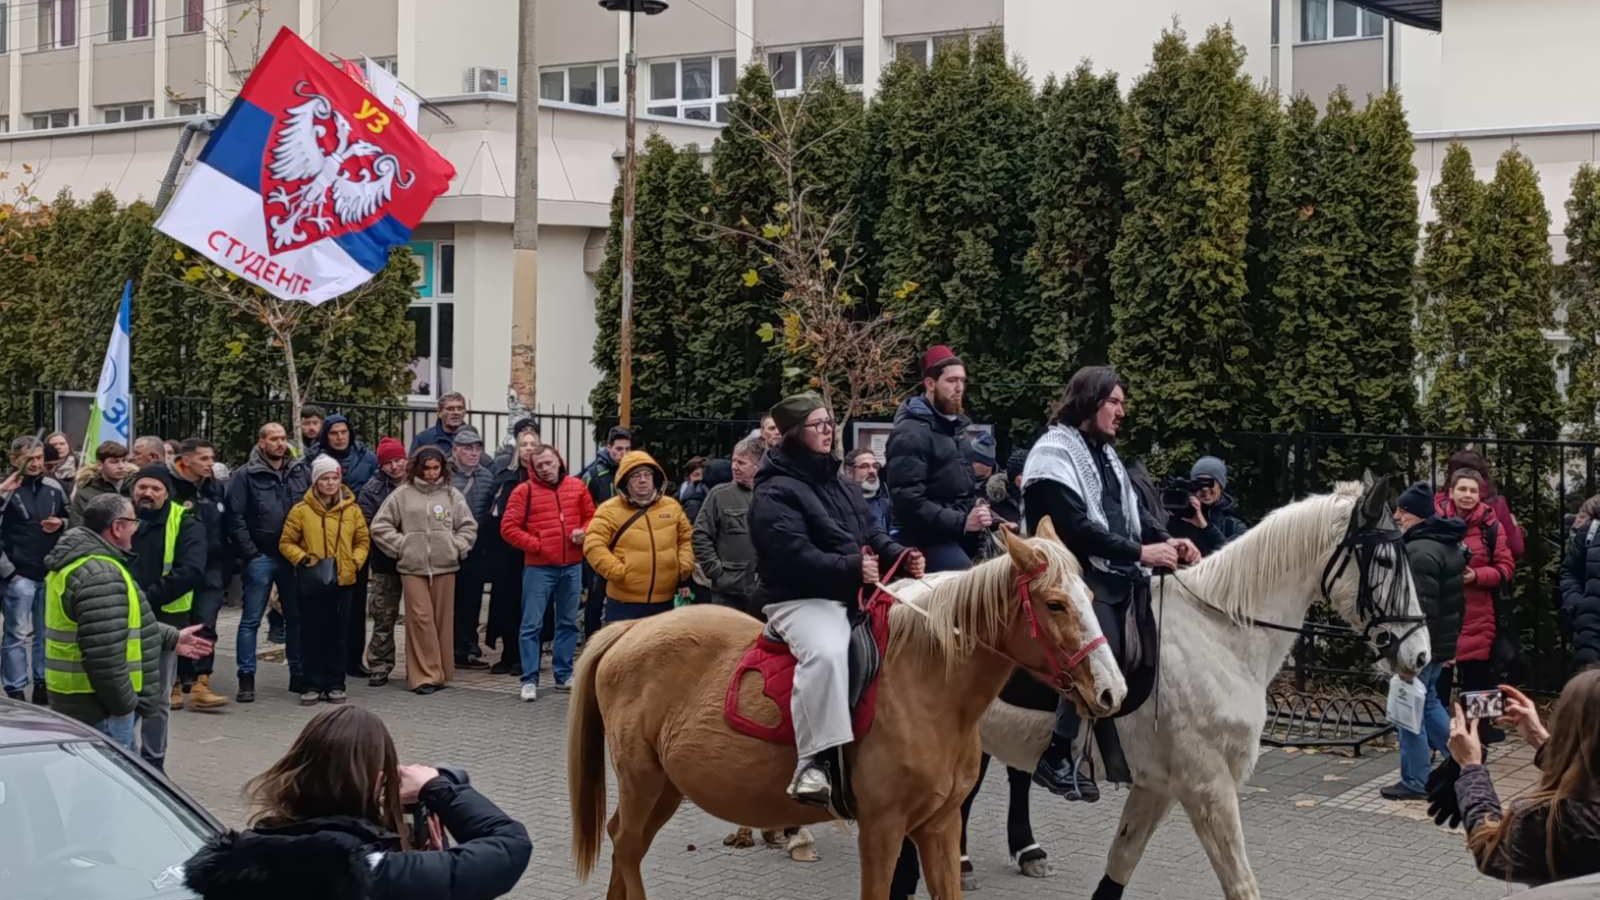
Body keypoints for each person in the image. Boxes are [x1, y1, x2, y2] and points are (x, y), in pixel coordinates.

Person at [1023, 366, 1198, 801]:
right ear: (1090, 401)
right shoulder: (1052, 453)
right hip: (1069, 575)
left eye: (1123, 403)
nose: (1122, 411)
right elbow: (1075, 528)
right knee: (1098, 648)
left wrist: (1168, 541)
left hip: (1115, 570)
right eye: (1114, 402)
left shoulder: (1107, 456)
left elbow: (1132, 515)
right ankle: (1057, 752)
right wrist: (1141, 553)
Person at [749, 393, 921, 806]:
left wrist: (899, 555)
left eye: (829, 423)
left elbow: (869, 532)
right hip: (799, 599)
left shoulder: (840, 483)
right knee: (826, 652)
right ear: (794, 434)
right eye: (818, 425)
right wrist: (851, 567)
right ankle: (814, 762)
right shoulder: (773, 492)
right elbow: (792, 555)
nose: (828, 431)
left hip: (847, 591)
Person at [182, 705, 532, 900]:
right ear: (378, 782)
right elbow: (509, 845)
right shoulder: (373, 874)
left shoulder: (236, 865)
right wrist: (437, 789)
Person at [41, 492, 213, 749]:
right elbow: (104, 653)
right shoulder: (101, 574)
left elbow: (115, 625)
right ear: (117, 527)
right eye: (133, 522)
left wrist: (171, 637)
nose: (137, 528)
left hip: (82, 700)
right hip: (100, 708)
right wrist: (124, 705)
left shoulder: (85, 564)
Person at [1447, 672, 1600, 886]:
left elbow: (1492, 853)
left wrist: (1471, 767)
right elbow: (1590, 772)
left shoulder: (1557, 819)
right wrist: (1539, 739)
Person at [1381, 482, 1468, 801]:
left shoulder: (1418, 551)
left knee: (1409, 707)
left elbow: (1420, 608)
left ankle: (1415, 780)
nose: (1397, 516)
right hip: (1438, 642)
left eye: (1402, 511)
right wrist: (1449, 647)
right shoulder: (1445, 544)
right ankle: (1465, 759)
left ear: (1416, 514)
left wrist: (1407, 649)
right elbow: (1455, 604)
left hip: (1419, 646)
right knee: (1428, 701)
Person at [370, 445, 477, 695]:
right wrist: (403, 546)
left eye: (435, 468)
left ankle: (441, 672)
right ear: (417, 468)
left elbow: (468, 526)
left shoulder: (451, 495)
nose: (431, 473)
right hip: (413, 568)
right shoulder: (402, 494)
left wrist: (456, 547)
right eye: (426, 468)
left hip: (445, 567)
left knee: (442, 622)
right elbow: (380, 526)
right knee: (420, 620)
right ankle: (423, 677)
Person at [126, 464, 208, 768]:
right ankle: (122, 755)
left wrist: (145, 598)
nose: (147, 493)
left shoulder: (184, 521)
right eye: (142, 487)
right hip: (122, 615)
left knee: (157, 696)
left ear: (167, 493)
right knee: (122, 692)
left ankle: (153, 762)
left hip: (166, 619)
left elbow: (191, 571)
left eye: (155, 488)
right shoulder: (121, 516)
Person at [225, 422, 312, 702]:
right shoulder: (245, 475)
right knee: (251, 619)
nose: (280, 443)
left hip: (292, 556)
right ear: (261, 442)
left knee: (296, 618)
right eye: (273, 439)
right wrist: (250, 552)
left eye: (283, 438)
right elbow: (235, 516)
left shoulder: (299, 471)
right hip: (261, 555)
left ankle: (298, 674)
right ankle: (246, 677)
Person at [500, 445, 594, 701]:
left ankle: (563, 675)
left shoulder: (577, 486)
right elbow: (508, 527)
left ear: (559, 462)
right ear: (532, 468)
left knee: (568, 623)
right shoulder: (524, 491)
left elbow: (592, 517)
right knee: (531, 624)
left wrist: (584, 531)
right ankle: (529, 679)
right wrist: (537, 545)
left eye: (549, 463)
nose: (545, 468)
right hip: (538, 568)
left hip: (572, 565)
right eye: (539, 465)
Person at [885, 345, 989, 572]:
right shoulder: (910, 433)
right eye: (951, 381)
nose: (959, 388)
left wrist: (985, 514)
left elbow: (962, 492)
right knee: (966, 580)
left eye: (962, 381)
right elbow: (908, 501)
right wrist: (962, 522)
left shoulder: (956, 430)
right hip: (922, 539)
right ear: (930, 384)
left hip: (955, 534)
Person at [280, 455, 371, 705]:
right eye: (324, 479)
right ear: (315, 482)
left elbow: (363, 540)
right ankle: (312, 683)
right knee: (312, 633)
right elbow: (286, 542)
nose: (330, 483)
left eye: (334, 478)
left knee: (338, 633)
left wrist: (354, 561)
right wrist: (303, 558)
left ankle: (335, 683)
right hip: (313, 580)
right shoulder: (301, 511)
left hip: (343, 579)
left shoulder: (352, 510)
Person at [1437, 467, 1515, 739]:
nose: (1467, 495)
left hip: (1479, 615)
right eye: (1462, 489)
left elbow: (1505, 567)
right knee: (1438, 687)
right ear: (1451, 492)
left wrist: (1476, 576)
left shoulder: (1491, 526)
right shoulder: (1435, 522)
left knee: (1480, 683)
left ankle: (1481, 736)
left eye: (1473, 490)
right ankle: (1439, 739)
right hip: (1443, 616)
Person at [582, 449, 693, 624]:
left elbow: (686, 538)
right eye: (635, 476)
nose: (642, 480)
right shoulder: (609, 509)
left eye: (647, 474)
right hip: (624, 603)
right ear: (625, 480)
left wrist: (683, 565)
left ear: (655, 478)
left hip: (664, 601)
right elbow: (593, 545)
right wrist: (617, 571)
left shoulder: (671, 506)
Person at [2, 435, 70, 704]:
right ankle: (15, 687)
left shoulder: (54, 487)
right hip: (18, 574)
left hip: (49, 571)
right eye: (28, 459)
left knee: (45, 632)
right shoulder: (7, 488)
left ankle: (42, 681)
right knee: (17, 633)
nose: (35, 464)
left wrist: (61, 523)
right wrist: (9, 571)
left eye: (39, 458)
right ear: (14, 459)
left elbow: (73, 517)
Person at [170, 437, 231, 709]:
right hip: (180, 567)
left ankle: (201, 682)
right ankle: (173, 683)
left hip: (212, 566)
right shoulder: (171, 488)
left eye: (212, 458)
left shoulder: (215, 489)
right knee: (178, 624)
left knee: (206, 623)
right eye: (204, 458)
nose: (210, 464)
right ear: (186, 460)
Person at [485, 428, 540, 676]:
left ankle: (524, 657)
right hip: (506, 552)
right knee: (505, 603)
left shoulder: (544, 478)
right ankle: (507, 654)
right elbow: (493, 511)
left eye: (533, 444)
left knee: (529, 605)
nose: (528, 448)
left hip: (533, 552)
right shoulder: (506, 477)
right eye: (524, 444)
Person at [693, 437, 763, 613]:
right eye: (733, 461)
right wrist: (716, 572)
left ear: (758, 466)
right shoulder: (719, 495)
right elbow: (700, 535)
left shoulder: (772, 494)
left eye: (741, 463)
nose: (734, 467)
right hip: (728, 592)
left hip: (764, 590)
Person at [448, 426, 496, 670]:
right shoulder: (445, 474)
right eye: (468, 448)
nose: (473, 453)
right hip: (450, 546)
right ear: (456, 450)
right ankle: (451, 647)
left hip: (477, 548)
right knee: (450, 601)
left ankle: (469, 647)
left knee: (472, 601)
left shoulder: (487, 476)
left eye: (477, 448)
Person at [579, 426, 632, 638]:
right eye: (619, 449)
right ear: (608, 447)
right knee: (595, 596)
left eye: (627, 449)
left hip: (626, 543)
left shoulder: (633, 473)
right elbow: (581, 507)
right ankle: (592, 640)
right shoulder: (594, 474)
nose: (623, 454)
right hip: (600, 544)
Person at [1443, 449, 1525, 561]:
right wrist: (1515, 528)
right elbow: (1516, 549)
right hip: (1487, 568)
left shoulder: (1439, 502)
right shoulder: (1496, 504)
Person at [1165, 456, 1249, 557]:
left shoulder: (1234, 526)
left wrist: (1206, 527)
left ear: (1221, 486)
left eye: (1210, 483)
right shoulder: (1178, 518)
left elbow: (1230, 556)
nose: (1204, 489)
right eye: (1199, 483)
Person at [1558, 494, 1600, 673]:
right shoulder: (1590, 532)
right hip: (1591, 631)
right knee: (1589, 685)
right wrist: (1577, 605)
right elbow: (1569, 573)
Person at [68, 441, 135, 527]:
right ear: (100, 465)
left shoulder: (135, 488)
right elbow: (77, 527)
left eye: (124, 461)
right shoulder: (85, 494)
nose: (121, 466)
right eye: (114, 462)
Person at [312, 414, 379, 492]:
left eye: (344, 432)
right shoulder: (313, 459)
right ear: (325, 436)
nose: (340, 437)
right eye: (333, 433)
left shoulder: (368, 458)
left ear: (349, 433)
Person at [842, 447, 893, 539]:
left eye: (875, 466)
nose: (872, 471)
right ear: (849, 472)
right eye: (865, 466)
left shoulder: (885, 501)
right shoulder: (840, 502)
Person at [678, 456, 709, 523]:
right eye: (696, 475)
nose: (700, 478)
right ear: (688, 477)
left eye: (704, 475)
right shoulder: (692, 503)